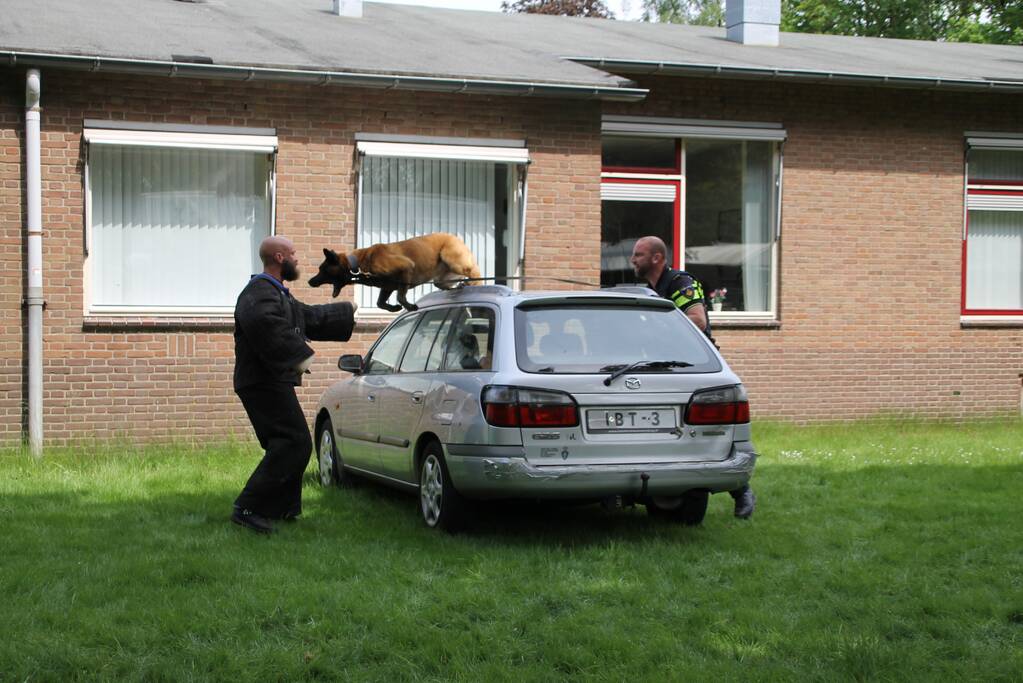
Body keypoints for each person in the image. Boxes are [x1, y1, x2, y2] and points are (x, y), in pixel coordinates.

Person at [231, 236, 358, 534]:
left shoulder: (276, 294)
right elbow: (266, 324)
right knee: (293, 442)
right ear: (279, 257)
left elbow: (307, 316)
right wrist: (299, 357)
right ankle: (247, 508)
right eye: (293, 253)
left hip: (270, 380)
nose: (297, 259)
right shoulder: (258, 293)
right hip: (261, 382)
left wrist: (347, 311)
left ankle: (280, 509)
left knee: (290, 443)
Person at [630, 236, 756, 520]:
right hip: (661, 367)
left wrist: (654, 331)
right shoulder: (650, 289)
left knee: (714, 428)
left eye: (638, 254)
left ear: (656, 258)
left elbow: (697, 319)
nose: (632, 259)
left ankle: (741, 489)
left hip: (692, 365)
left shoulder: (680, 283)